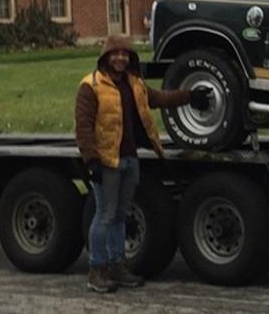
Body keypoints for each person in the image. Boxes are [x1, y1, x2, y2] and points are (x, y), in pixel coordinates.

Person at [74, 35, 211, 293]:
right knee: (104, 214)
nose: (120, 58)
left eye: (125, 54)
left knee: (119, 216)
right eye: (115, 54)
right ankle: (96, 270)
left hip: (129, 159)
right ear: (105, 57)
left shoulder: (134, 83)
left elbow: (158, 98)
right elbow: (83, 126)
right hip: (106, 161)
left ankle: (117, 266)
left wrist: (189, 96)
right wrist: (91, 160)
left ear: (130, 58)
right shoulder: (91, 85)